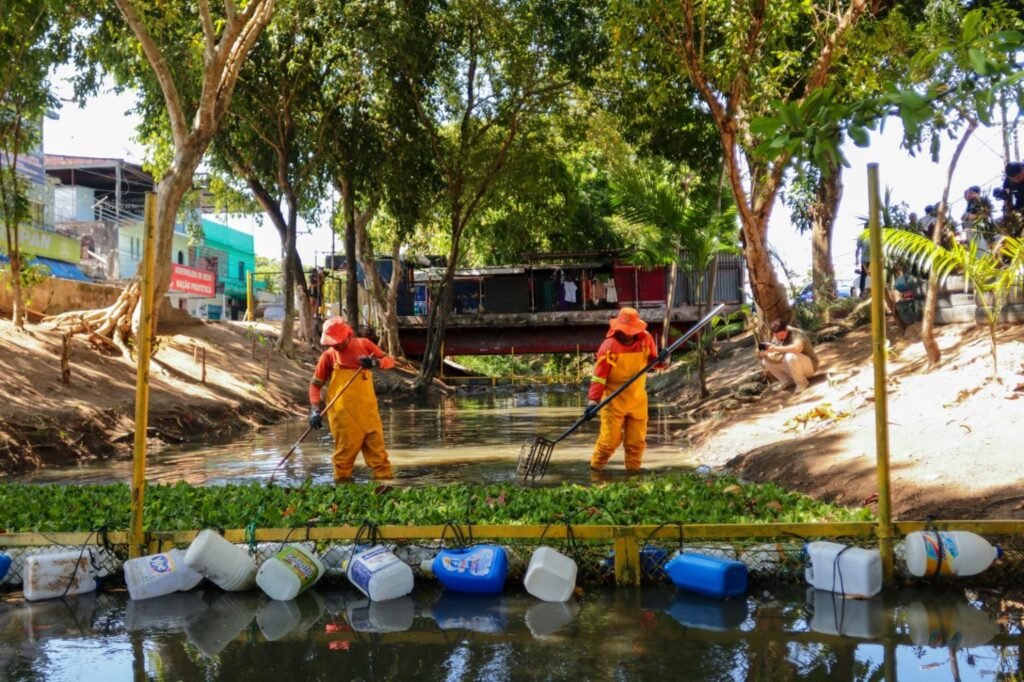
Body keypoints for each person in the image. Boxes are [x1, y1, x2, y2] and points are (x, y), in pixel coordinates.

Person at [308, 317, 396, 482]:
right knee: (343, 460)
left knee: (380, 459)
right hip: (343, 417)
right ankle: (342, 489)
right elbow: (315, 386)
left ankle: (386, 490)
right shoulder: (328, 357)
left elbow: (390, 362)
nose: (335, 345)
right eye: (331, 343)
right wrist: (314, 410)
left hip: (369, 415)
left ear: (348, 335)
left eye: (337, 341)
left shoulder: (364, 345)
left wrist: (375, 362)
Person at [585, 307, 668, 473]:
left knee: (636, 442)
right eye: (624, 331)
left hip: (637, 399)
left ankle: (633, 475)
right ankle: (595, 471)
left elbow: (654, 363)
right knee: (609, 441)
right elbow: (599, 378)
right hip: (613, 401)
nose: (628, 334)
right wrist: (593, 402)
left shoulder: (645, 339)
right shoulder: (608, 346)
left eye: (631, 331)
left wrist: (663, 359)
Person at [759, 319, 820, 394]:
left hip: (810, 366)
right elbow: (777, 352)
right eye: (777, 336)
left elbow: (797, 348)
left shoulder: (796, 333)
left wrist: (776, 348)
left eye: (781, 335)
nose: (779, 338)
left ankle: (802, 382)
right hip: (794, 365)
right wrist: (765, 353)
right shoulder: (777, 336)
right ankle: (787, 381)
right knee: (765, 361)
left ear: (786, 329)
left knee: (790, 355)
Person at [961, 185, 994, 252]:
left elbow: (988, 214)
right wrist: (965, 217)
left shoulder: (983, 200)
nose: (969, 195)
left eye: (971, 193)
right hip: (971, 227)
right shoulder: (970, 204)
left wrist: (976, 216)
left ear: (977, 193)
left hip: (983, 225)